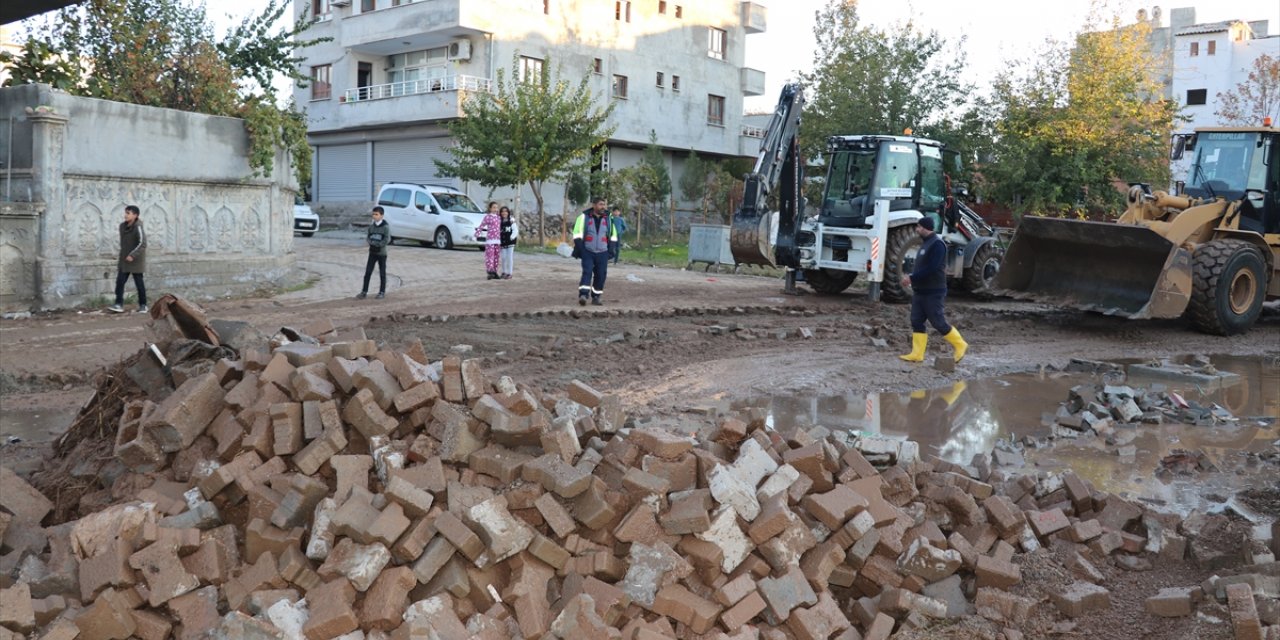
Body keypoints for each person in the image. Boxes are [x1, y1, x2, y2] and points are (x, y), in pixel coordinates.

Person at [898, 216, 968, 363]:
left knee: (938, 322)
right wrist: (913, 277)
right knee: (916, 320)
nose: (916, 229)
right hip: (921, 291)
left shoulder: (937, 244)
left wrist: (912, 277)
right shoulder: (925, 244)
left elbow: (933, 267)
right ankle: (917, 354)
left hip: (934, 290)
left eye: (918, 227)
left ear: (925, 228)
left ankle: (960, 345)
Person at [571, 197, 617, 306]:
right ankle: (583, 295)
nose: (603, 207)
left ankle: (596, 297)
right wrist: (581, 249)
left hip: (603, 252)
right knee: (587, 272)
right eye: (601, 204)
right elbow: (577, 234)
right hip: (588, 251)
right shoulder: (583, 217)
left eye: (604, 204)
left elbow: (613, 236)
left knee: (601, 275)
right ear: (594, 205)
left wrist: (610, 251)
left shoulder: (609, 219)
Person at [108, 204, 147, 313]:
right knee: (120, 282)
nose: (125, 215)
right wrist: (124, 257)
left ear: (135, 215)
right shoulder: (122, 226)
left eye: (128, 213)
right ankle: (118, 304)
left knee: (139, 283)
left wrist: (132, 255)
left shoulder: (138, 226)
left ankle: (143, 305)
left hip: (136, 261)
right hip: (124, 260)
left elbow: (142, 243)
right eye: (125, 213)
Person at [358, 206, 390, 299]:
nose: (374, 216)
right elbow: (368, 237)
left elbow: (386, 240)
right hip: (372, 253)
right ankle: (364, 291)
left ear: (382, 216)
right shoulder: (371, 227)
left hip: (381, 254)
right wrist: (371, 243)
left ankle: (382, 292)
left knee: (382, 273)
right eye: (373, 214)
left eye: (376, 214)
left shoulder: (385, 227)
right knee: (368, 272)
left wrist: (377, 244)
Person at [479, 201, 502, 280]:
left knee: (496, 257)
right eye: (494, 207)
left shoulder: (499, 217)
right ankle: (490, 271)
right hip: (490, 240)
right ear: (490, 208)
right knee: (490, 257)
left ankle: (495, 272)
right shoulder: (488, 217)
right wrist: (477, 233)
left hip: (497, 240)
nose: (495, 209)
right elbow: (482, 225)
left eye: (496, 207)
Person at [498, 205, 518, 279]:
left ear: (508, 212)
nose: (504, 213)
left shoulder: (511, 221)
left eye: (506, 211)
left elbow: (515, 230)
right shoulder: (499, 221)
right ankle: (504, 272)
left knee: (509, 258)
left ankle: (510, 273)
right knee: (503, 258)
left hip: (510, 242)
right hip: (503, 242)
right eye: (502, 211)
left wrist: (511, 237)